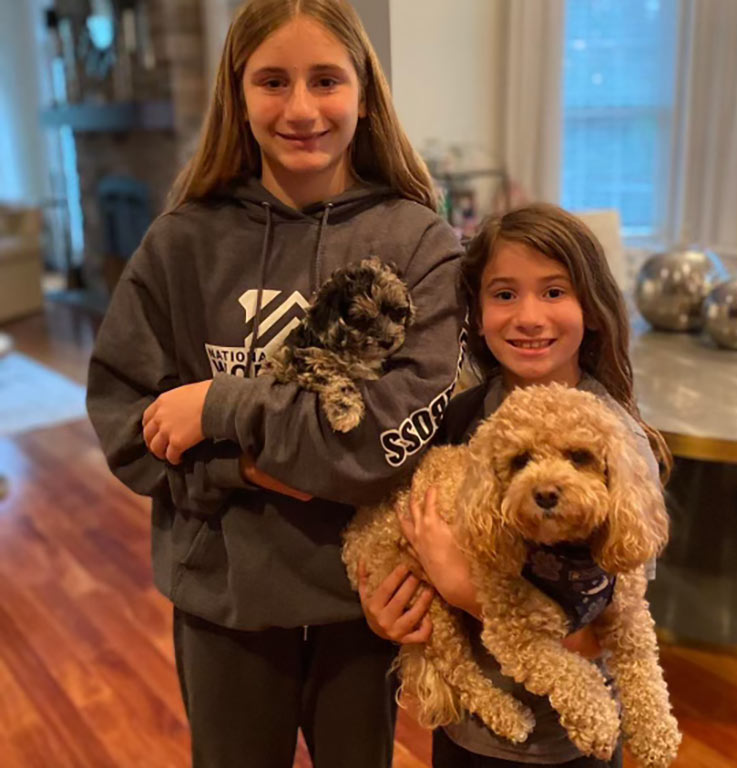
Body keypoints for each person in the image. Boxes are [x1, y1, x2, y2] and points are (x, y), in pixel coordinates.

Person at [85, 1, 465, 766]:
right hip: (223, 596)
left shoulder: (417, 241)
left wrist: (220, 408)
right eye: (273, 81)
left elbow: (390, 441)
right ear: (238, 92)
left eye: (325, 79)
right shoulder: (181, 241)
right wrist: (241, 465)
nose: (300, 109)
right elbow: (127, 416)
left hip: (367, 601)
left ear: (363, 91)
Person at [359, 203, 672, 768]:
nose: (529, 317)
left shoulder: (619, 442)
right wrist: (392, 611)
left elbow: (613, 624)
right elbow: (412, 550)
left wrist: (465, 591)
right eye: (504, 294)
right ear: (476, 314)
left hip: (573, 743)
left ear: (593, 309)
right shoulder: (456, 420)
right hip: (468, 735)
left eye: (554, 292)